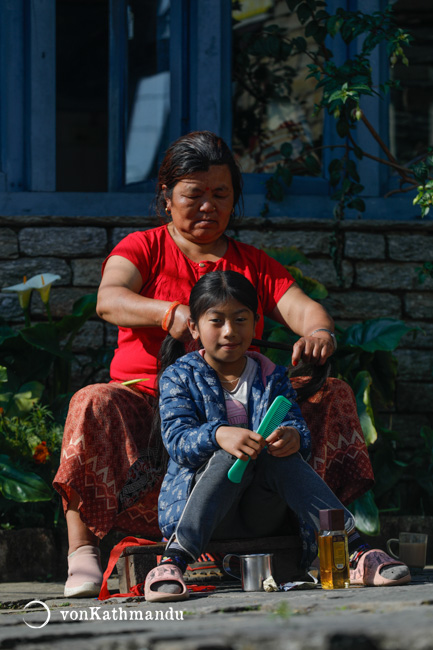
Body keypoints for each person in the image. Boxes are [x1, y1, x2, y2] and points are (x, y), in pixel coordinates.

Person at [53, 130, 373, 598]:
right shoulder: (144, 247)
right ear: (166, 197)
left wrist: (319, 333)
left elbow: (303, 308)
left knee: (335, 394)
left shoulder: (252, 263)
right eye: (194, 195)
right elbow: (109, 298)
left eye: (220, 194)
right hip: (150, 397)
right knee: (92, 401)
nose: (208, 206)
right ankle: (82, 553)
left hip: (242, 405)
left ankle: (341, 545)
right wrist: (167, 312)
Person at [144, 271, 410, 602]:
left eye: (241, 320)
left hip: (264, 511)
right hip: (206, 512)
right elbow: (177, 440)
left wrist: (293, 438)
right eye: (217, 321)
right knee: (231, 454)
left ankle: (355, 552)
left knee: (277, 453)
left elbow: (295, 424)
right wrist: (220, 435)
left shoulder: (271, 376)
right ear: (195, 327)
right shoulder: (179, 376)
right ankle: (175, 560)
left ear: (256, 324)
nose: (230, 331)